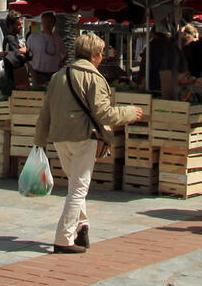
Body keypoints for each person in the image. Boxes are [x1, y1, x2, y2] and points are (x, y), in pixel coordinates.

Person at [34, 33, 143, 254]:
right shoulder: (94, 78)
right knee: (78, 189)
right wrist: (130, 113)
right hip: (83, 137)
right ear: (93, 55)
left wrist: (39, 141)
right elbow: (104, 113)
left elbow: (45, 113)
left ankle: (82, 228)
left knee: (75, 184)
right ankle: (63, 239)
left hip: (60, 138)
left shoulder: (58, 76)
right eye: (101, 54)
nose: (102, 58)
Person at [27, 12, 64, 86]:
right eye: (44, 22)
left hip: (54, 75)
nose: (47, 25)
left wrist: (61, 65)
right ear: (41, 23)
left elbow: (64, 53)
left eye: (49, 22)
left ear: (54, 24)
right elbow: (27, 58)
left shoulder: (58, 39)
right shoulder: (33, 37)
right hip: (38, 74)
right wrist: (33, 74)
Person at [1, 13, 30, 88]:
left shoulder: (15, 38)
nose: (21, 27)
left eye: (21, 24)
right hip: (14, 77)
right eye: (18, 24)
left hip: (16, 76)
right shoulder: (10, 38)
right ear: (11, 25)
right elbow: (19, 57)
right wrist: (25, 51)